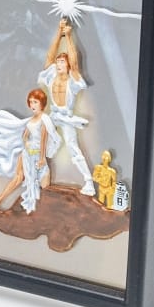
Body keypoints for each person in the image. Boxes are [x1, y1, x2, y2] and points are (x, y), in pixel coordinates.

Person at [0, 89, 62, 214]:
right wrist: (27, 145)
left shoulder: (44, 119)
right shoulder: (31, 120)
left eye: (35, 102)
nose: (32, 105)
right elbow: (25, 136)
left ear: (42, 103)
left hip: (36, 156)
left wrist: (41, 158)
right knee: (18, 179)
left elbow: (43, 140)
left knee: (44, 186)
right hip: (28, 155)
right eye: (31, 102)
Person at [38, 19, 96, 195]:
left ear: (68, 65)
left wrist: (69, 36)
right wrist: (59, 31)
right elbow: (49, 56)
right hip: (53, 116)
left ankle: (88, 182)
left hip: (66, 117)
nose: (59, 65)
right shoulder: (51, 76)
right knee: (40, 140)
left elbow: (75, 61)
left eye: (62, 62)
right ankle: (39, 175)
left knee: (73, 148)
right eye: (58, 62)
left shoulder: (73, 79)